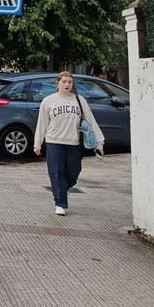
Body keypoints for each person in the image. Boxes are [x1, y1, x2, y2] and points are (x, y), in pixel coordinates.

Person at [33, 71, 105, 216]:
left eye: (70, 82)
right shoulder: (48, 101)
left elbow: (90, 121)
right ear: (57, 83)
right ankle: (60, 203)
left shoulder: (79, 100)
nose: (67, 84)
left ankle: (61, 188)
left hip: (74, 142)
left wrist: (99, 143)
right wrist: (37, 144)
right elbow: (42, 123)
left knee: (73, 172)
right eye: (64, 81)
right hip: (54, 141)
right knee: (56, 172)